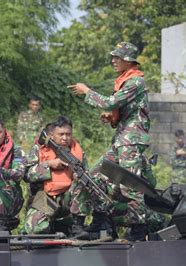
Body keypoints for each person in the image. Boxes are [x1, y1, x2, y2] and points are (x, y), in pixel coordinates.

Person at [68, 41, 162, 240]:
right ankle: (94, 222)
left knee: (131, 186)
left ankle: (138, 228)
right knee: (94, 177)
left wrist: (87, 91)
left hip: (130, 140)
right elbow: (120, 109)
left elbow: (112, 102)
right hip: (121, 140)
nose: (113, 61)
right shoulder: (125, 80)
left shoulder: (136, 81)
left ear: (128, 60)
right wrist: (112, 117)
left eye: (117, 57)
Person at [23, 116, 87, 236]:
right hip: (46, 198)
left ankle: (77, 226)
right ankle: (56, 226)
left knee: (85, 183)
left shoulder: (78, 152)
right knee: (33, 229)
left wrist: (77, 177)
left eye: (68, 134)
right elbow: (26, 175)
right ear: (51, 135)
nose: (65, 138)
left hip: (69, 198)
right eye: (61, 134)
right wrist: (49, 165)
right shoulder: (39, 149)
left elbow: (85, 174)